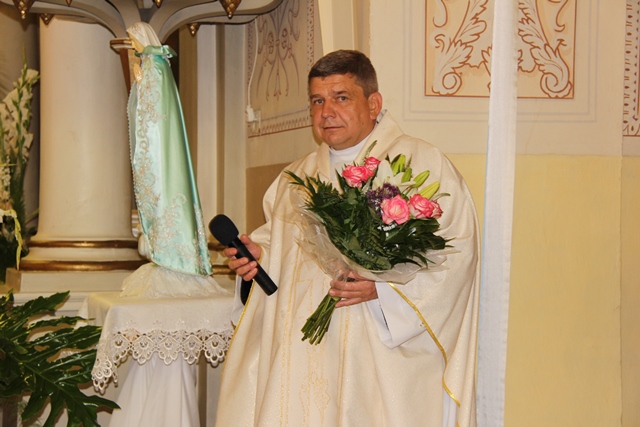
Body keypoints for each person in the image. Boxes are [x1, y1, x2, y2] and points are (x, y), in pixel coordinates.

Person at [216, 50, 479, 427]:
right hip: (304, 357)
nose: (326, 112)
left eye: (341, 97)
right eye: (317, 101)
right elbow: (284, 255)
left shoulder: (420, 164)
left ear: (373, 104)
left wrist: (383, 290)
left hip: (377, 356)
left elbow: (457, 256)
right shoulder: (296, 179)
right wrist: (259, 257)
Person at [120, 22, 224, 298]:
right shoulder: (153, 63)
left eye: (133, 41)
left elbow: (156, 112)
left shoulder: (155, 66)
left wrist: (141, 78)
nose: (133, 46)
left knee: (164, 190)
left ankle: (176, 257)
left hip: (159, 145)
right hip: (154, 142)